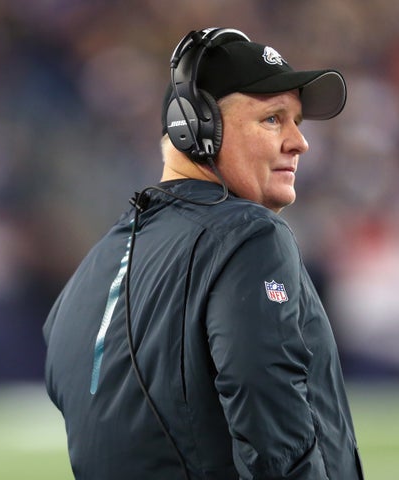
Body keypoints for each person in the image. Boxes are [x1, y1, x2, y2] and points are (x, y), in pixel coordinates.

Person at [43, 27, 364, 479]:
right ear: (197, 127)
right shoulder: (250, 235)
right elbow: (268, 416)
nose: (299, 141)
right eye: (272, 119)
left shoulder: (95, 263)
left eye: (297, 122)